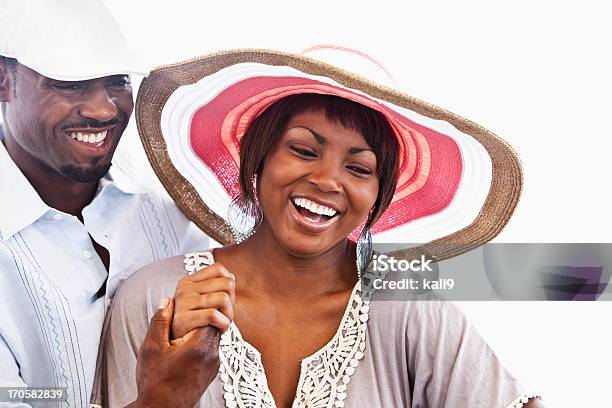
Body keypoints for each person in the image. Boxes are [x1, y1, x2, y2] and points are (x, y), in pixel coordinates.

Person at [92, 50, 544, 407]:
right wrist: (164, 399)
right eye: (305, 150)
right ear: (259, 156)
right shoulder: (159, 300)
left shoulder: (407, 309)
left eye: (359, 168)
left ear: (379, 195)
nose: (328, 181)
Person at [0, 1, 216, 406]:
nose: (103, 109)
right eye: (69, 83)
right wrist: (161, 398)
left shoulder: (168, 202)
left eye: (117, 81)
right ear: (3, 81)